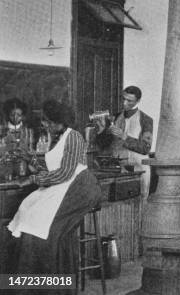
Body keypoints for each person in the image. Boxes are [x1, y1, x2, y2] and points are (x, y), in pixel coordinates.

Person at [7, 100, 102, 282]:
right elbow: (53, 170)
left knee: (43, 224)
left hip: (80, 189)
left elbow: (65, 173)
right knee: (28, 210)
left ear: (60, 120)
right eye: (45, 121)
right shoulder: (57, 138)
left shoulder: (74, 136)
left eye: (49, 121)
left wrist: (32, 179)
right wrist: (29, 158)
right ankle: (32, 281)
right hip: (65, 185)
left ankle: (51, 284)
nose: (45, 125)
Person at [96, 86, 153, 199]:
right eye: (123, 99)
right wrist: (102, 131)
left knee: (139, 202)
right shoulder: (115, 117)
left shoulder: (146, 120)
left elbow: (145, 148)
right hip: (118, 171)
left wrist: (124, 136)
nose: (124, 103)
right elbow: (104, 146)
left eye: (129, 101)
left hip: (138, 169)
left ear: (138, 101)